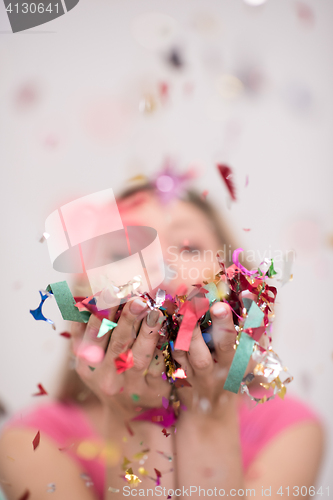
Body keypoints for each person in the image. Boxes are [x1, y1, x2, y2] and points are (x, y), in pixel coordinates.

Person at [0, 182, 324, 500]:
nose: (159, 265)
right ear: (85, 292)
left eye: (188, 247)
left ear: (237, 284)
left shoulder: (288, 429)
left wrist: (211, 412)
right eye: (126, 249)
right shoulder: (31, 440)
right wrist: (136, 418)